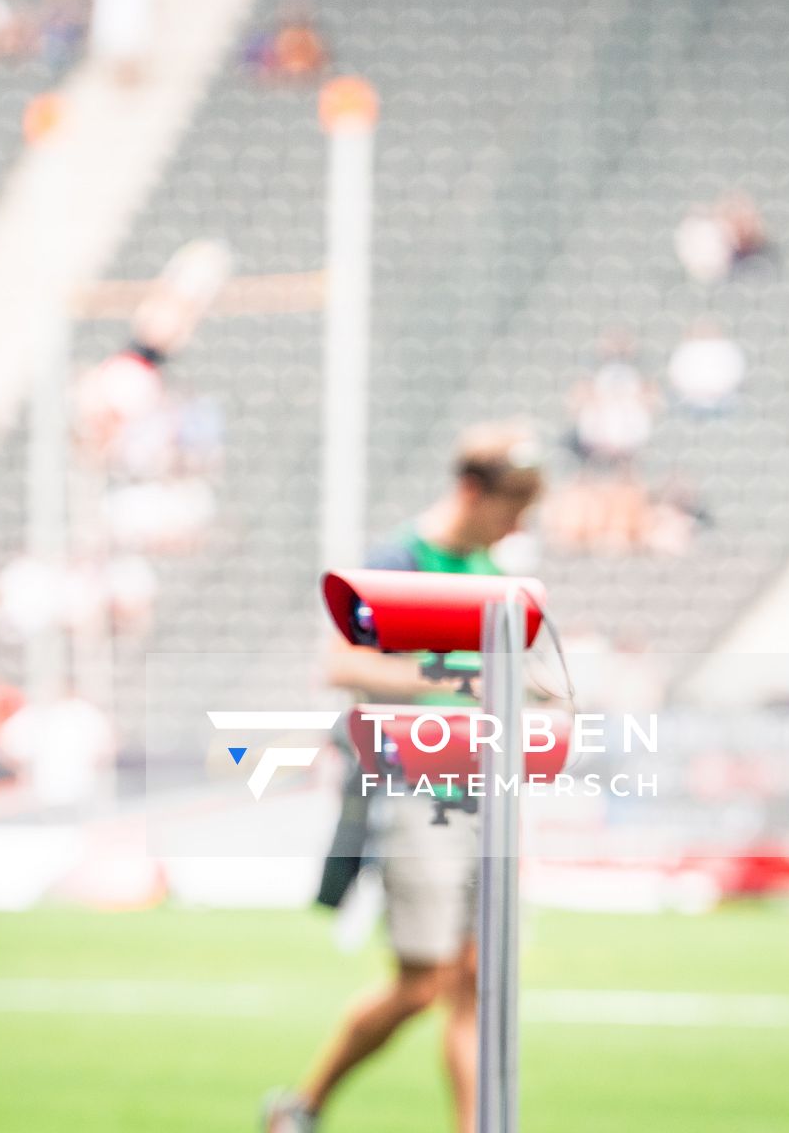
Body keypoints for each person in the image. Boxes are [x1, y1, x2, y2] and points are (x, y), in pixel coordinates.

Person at [265, 423, 545, 1133]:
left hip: (488, 790)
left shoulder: (490, 570)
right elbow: (341, 666)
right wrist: (459, 677)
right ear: (471, 490)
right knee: (423, 986)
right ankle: (303, 1106)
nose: (516, 526)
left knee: (481, 984)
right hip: (414, 789)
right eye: (509, 508)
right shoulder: (398, 559)